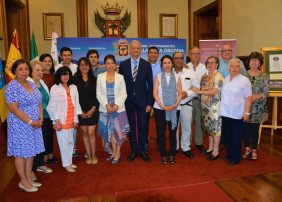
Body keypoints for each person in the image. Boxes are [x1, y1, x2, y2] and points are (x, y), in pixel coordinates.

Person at [5, 59, 44, 192]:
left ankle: (28, 178)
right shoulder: (11, 87)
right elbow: (14, 109)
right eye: (20, 69)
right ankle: (22, 181)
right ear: (14, 70)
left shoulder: (31, 84)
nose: (24, 72)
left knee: (31, 151)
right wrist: (30, 122)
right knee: (21, 153)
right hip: (20, 125)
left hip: (35, 124)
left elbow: (38, 102)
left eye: (26, 69)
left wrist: (40, 118)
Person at [119, 40, 153, 162]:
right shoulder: (123, 65)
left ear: (141, 50)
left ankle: (143, 151)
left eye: (138, 48)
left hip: (143, 102)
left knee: (143, 126)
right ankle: (134, 151)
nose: (135, 50)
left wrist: (150, 103)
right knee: (132, 127)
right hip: (128, 102)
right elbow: (120, 85)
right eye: (133, 48)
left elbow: (151, 85)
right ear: (129, 49)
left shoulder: (146, 64)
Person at [47, 67, 82, 172]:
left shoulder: (73, 87)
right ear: (59, 76)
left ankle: (70, 161)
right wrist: (57, 121)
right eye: (63, 74)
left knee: (71, 141)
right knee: (63, 142)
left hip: (71, 118)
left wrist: (76, 120)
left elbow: (76, 103)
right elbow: (52, 106)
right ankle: (66, 164)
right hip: (61, 120)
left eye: (67, 74)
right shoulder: (55, 88)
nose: (65, 77)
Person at [97, 55, 129, 164]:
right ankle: (114, 152)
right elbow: (99, 93)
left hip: (118, 109)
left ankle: (118, 153)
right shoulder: (100, 77)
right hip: (105, 109)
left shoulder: (120, 77)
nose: (110, 65)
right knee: (110, 132)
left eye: (112, 63)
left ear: (115, 65)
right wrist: (106, 105)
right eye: (108, 63)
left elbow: (123, 93)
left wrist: (117, 105)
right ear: (105, 65)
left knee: (117, 131)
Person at [191, 56, 224, 161]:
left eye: (212, 63)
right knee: (208, 127)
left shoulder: (219, 76)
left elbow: (214, 92)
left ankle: (216, 151)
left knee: (215, 128)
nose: (210, 65)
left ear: (217, 64)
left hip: (214, 106)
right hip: (204, 106)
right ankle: (210, 148)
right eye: (208, 63)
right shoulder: (205, 76)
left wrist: (199, 92)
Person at [219, 58, 252, 166]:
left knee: (236, 137)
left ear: (240, 68)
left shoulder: (245, 80)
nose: (234, 68)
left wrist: (247, 113)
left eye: (237, 66)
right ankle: (229, 154)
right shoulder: (227, 78)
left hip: (238, 113)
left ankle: (236, 158)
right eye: (232, 66)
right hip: (226, 113)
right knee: (228, 136)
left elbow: (248, 97)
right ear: (229, 68)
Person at [153, 55, 182, 164]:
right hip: (160, 108)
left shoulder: (177, 77)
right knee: (161, 132)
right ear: (162, 65)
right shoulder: (158, 76)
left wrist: (175, 104)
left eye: (169, 62)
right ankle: (163, 154)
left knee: (173, 131)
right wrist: (162, 105)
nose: (167, 65)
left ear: (172, 64)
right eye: (164, 63)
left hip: (175, 108)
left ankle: (172, 154)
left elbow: (180, 93)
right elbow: (155, 93)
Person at [27, 61, 53, 180]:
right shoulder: (28, 83)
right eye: (37, 70)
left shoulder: (41, 82)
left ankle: (40, 164)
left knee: (43, 141)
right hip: (34, 119)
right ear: (31, 71)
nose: (40, 72)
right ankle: (31, 169)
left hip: (46, 116)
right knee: (33, 143)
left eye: (42, 70)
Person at [242, 52, 269, 161]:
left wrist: (256, 96)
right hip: (244, 107)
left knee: (254, 130)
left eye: (256, 60)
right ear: (248, 62)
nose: (254, 62)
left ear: (260, 63)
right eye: (252, 60)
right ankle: (247, 149)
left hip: (258, 108)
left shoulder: (264, 76)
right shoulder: (243, 75)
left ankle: (254, 150)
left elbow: (267, 93)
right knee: (245, 130)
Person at [218, 44, 246, 150]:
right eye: (224, 50)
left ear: (232, 51)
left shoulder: (238, 62)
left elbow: (243, 77)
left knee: (235, 124)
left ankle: (234, 145)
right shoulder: (219, 64)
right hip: (223, 96)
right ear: (221, 53)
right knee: (224, 121)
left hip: (236, 97)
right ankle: (223, 141)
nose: (227, 52)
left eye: (229, 50)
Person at [86, 49, 113, 156]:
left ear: (98, 59)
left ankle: (106, 146)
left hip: (102, 102)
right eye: (91, 57)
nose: (93, 59)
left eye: (95, 57)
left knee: (105, 126)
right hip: (89, 102)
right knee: (89, 129)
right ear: (88, 58)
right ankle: (90, 149)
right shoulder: (84, 70)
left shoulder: (103, 71)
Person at [73, 57, 99, 165]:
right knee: (84, 133)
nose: (84, 67)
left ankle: (94, 155)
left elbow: (98, 96)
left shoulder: (94, 79)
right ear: (78, 67)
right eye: (82, 65)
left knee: (91, 133)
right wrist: (80, 111)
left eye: (86, 64)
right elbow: (73, 97)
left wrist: (92, 110)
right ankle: (88, 154)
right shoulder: (74, 80)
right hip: (80, 111)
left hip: (93, 109)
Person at [173, 52, 199, 159]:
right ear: (173, 60)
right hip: (173, 106)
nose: (179, 60)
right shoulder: (168, 72)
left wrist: (187, 93)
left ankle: (186, 147)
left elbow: (197, 89)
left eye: (181, 58)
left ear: (184, 59)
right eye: (176, 58)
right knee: (173, 128)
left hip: (187, 104)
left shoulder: (191, 72)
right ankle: (174, 147)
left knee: (187, 127)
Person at [55, 47, 79, 157]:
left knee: (72, 126)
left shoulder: (76, 67)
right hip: (61, 101)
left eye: (69, 55)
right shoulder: (56, 68)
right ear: (61, 56)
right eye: (65, 55)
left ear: (72, 56)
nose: (67, 57)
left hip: (74, 97)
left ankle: (73, 148)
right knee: (63, 131)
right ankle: (66, 155)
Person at [186, 46, 207, 152]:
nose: (195, 56)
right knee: (188, 122)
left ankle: (199, 142)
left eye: (197, 54)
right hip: (188, 99)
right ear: (190, 55)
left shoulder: (204, 67)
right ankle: (187, 144)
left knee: (199, 121)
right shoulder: (185, 67)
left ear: (200, 55)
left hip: (200, 99)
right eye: (193, 54)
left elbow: (207, 83)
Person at [39, 53, 58, 165]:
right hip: (44, 110)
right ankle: (45, 156)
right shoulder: (38, 77)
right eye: (45, 61)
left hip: (53, 109)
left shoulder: (54, 76)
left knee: (51, 133)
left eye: (49, 61)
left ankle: (50, 154)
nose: (47, 63)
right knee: (44, 134)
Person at [146, 46, 162, 152]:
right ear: (148, 54)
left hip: (159, 96)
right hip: (146, 96)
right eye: (151, 53)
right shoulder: (143, 65)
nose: (153, 54)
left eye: (155, 53)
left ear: (158, 54)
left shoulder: (162, 65)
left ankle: (160, 142)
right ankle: (145, 142)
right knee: (145, 121)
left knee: (159, 121)